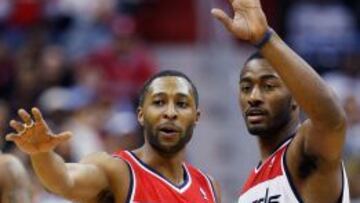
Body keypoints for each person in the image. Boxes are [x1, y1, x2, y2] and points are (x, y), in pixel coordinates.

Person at [6, 70, 221, 203]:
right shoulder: (116, 170)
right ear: (140, 114)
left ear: (196, 117)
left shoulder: (208, 187)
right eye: (159, 102)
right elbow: (64, 181)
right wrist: (42, 154)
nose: (170, 112)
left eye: (182, 104)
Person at [211, 0, 349, 202]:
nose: (254, 97)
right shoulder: (250, 187)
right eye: (246, 88)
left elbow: (332, 120)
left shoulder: (304, 153)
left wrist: (265, 39)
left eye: (268, 86)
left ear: (296, 97)